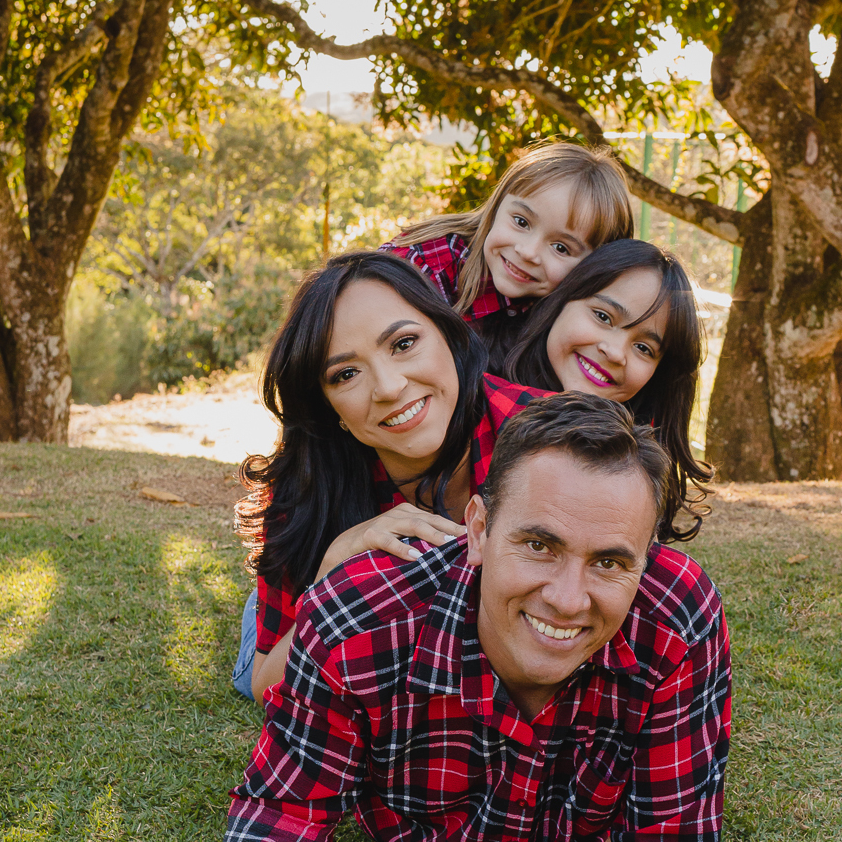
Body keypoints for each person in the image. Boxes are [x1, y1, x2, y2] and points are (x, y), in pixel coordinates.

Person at [218, 394, 731, 842]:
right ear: (480, 529)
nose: (569, 599)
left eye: (609, 561)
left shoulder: (678, 617)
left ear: (645, 558)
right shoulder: (358, 620)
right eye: (539, 544)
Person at [232, 251, 550, 704]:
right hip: (314, 605)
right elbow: (268, 685)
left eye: (403, 344)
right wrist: (334, 569)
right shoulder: (304, 488)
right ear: (327, 406)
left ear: (447, 333)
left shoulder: (539, 435)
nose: (388, 387)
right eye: (345, 374)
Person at [504, 238, 713, 541]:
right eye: (603, 317)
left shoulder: (639, 463)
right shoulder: (472, 402)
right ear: (560, 301)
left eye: (643, 347)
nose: (615, 352)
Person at [381, 143, 634, 372]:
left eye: (560, 248)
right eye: (521, 222)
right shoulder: (425, 265)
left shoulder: (574, 315)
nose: (528, 252)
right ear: (498, 205)